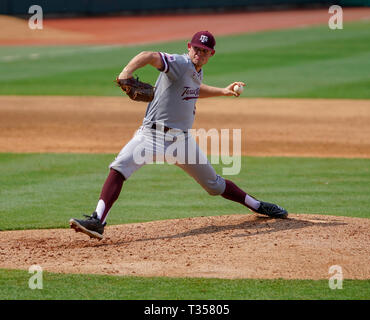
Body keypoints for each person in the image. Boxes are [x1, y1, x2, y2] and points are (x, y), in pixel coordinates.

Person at [69, 31, 288, 240]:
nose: (199, 53)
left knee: (214, 184)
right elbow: (148, 56)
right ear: (189, 47)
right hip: (151, 136)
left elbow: (194, 89)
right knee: (119, 168)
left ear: (211, 54)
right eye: (196, 49)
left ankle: (258, 206)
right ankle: (98, 220)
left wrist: (223, 91)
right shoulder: (180, 63)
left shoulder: (195, 70)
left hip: (181, 142)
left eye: (204, 51)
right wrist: (126, 72)